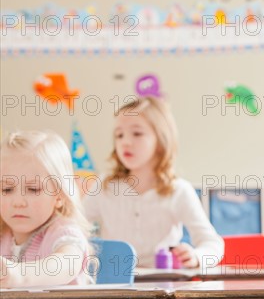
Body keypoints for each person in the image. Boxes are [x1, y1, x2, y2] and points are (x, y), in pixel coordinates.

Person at [83, 96, 224, 268]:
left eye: (137, 133)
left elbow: (213, 243)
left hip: (164, 287)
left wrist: (196, 256)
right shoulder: (104, 185)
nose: (125, 142)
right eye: (119, 135)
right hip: (115, 286)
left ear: (160, 140)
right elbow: (75, 227)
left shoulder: (178, 190)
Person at [0, 131, 92, 287]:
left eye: (33, 189)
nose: (18, 202)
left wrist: (19, 275)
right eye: (7, 189)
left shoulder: (64, 233)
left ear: (59, 196)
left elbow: (66, 264)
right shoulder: (3, 234)